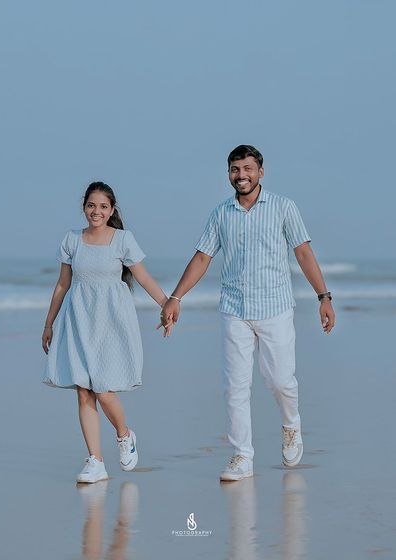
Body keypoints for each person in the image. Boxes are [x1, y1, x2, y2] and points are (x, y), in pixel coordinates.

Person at [161, 145, 335, 481]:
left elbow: (303, 253)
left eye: (247, 168)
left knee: (280, 380)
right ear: (228, 173)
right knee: (235, 386)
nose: (241, 175)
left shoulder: (284, 207)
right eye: (235, 169)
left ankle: (291, 426)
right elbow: (202, 258)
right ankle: (242, 456)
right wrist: (175, 297)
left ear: (261, 172)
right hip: (234, 309)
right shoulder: (221, 213)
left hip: (275, 308)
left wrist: (323, 297)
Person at [42, 181, 171, 483]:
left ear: (111, 210)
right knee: (83, 389)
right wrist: (49, 323)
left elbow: (143, 277)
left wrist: (166, 303)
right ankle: (95, 461)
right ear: (84, 207)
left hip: (111, 323)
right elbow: (62, 284)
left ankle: (124, 435)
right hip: (78, 321)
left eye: (102, 206)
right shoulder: (72, 240)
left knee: (103, 389)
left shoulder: (123, 240)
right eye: (91, 205)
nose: (96, 211)